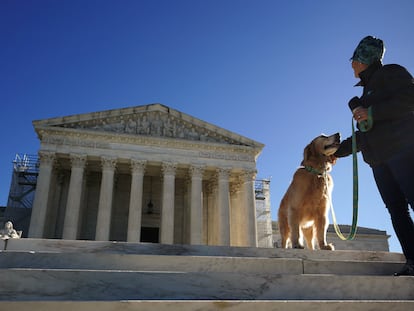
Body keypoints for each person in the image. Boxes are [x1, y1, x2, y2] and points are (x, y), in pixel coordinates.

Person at [334, 36, 414, 276]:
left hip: (403, 151)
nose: (351, 65)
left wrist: (372, 112)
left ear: (365, 59)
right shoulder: (365, 92)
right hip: (379, 162)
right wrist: (333, 151)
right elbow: (366, 134)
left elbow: (410, 100)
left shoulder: (392, 73)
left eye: (355, 59)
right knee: (397, 212)